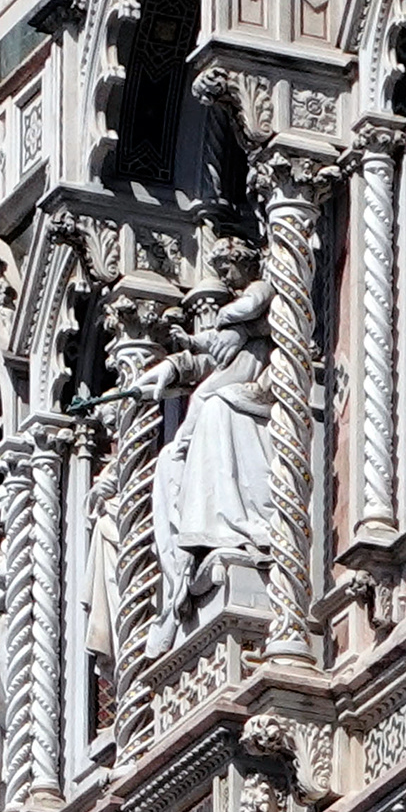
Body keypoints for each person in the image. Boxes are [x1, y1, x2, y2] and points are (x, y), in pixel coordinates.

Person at [149, 240, 270, 626]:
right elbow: (209, 353)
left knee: (211, 402)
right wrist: (177, 359)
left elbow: (258, 315)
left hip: (263, 373)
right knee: (170, 458)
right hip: (241, 365)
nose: (226, 278)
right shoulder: (237, 308)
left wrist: (233, 323)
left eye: (228, 269)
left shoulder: (260, 291)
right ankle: (192, 556)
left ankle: (235, 526)